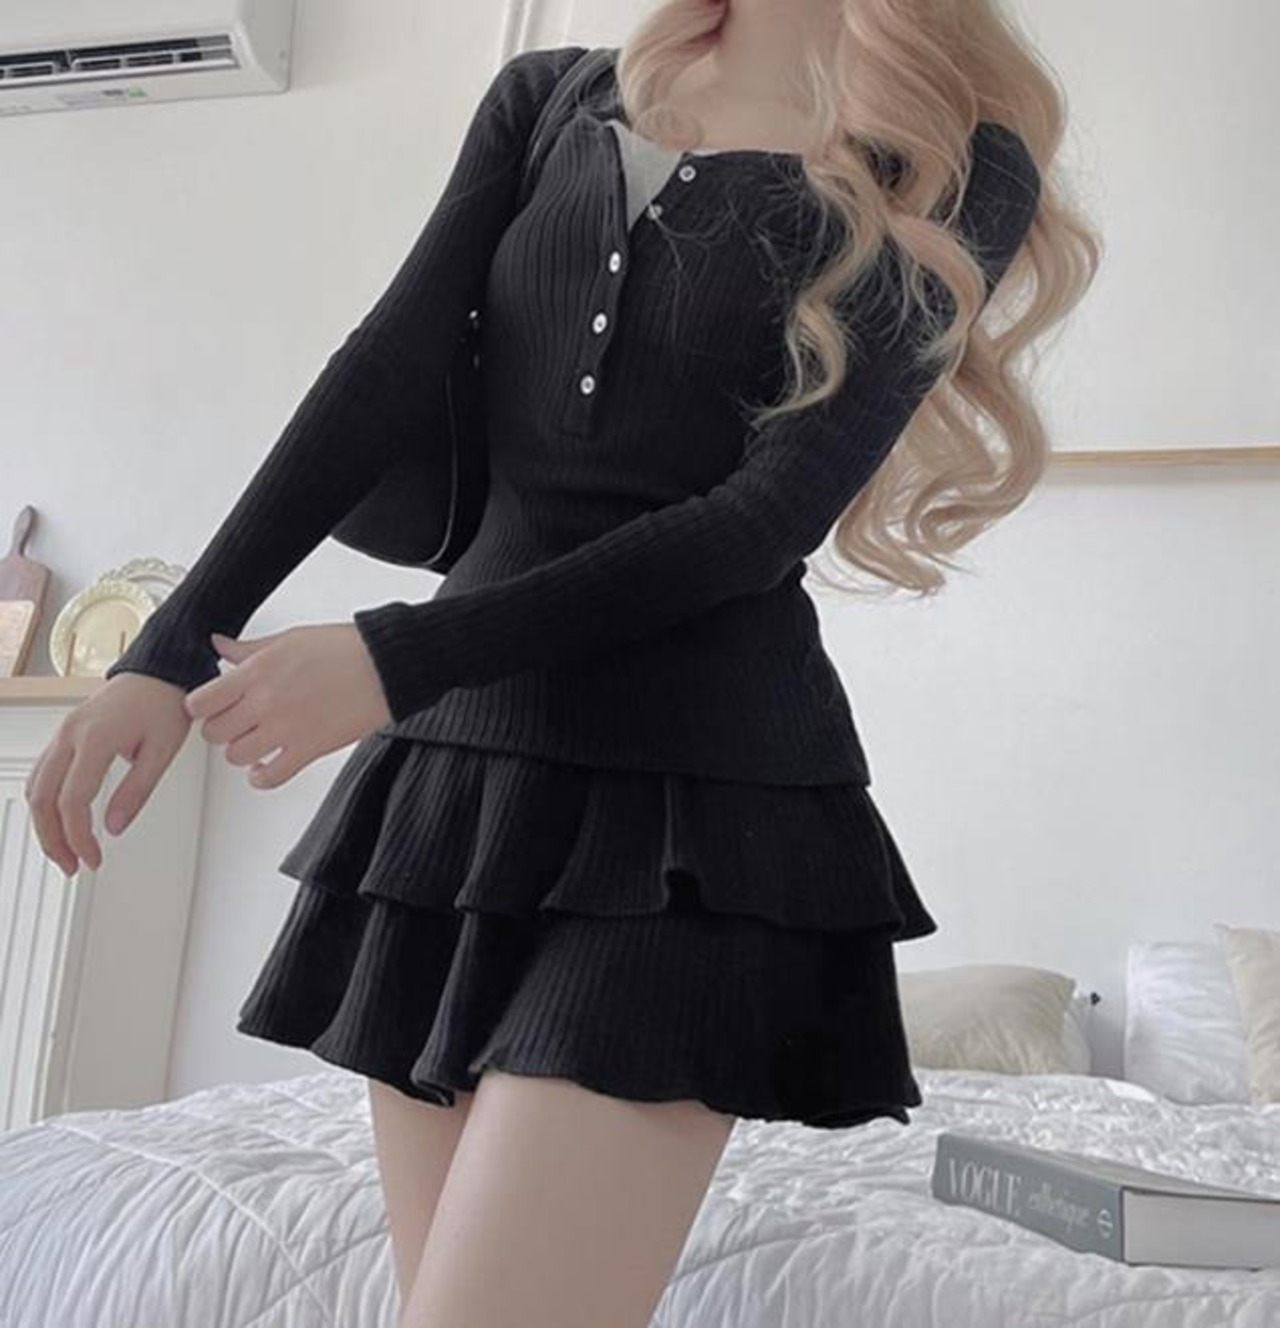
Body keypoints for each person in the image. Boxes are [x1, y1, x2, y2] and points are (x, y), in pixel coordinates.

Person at [25, 2, 1098, 1325]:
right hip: (455, 795)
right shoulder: (547, 100)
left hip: (697, 811)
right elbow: (381, 374)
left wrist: (395, 657)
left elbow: (764, 521)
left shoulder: (953, 160)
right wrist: (162, 652)